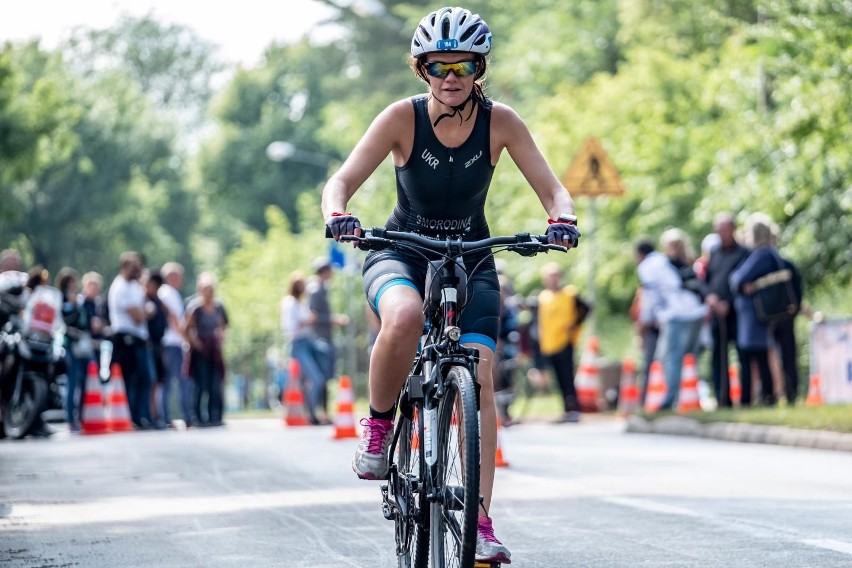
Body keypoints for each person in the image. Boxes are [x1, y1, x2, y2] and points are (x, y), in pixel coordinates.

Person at [320, 7, 580, 564]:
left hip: (472, 259)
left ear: (478, 68)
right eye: (439, 65)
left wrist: (562, 220)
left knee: (481, 377)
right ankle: (381, 424)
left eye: (463, 64)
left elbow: (555, 190)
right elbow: (340, 179)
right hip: (401, 252)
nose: (451, 75)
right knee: (405, 318)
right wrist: (337, 211)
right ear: (423, 69)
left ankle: (480, 522)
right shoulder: (401, 118)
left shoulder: (501, 122)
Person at [636, 230, 707, 410]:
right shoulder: (688, 261)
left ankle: (670, 399)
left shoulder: (653, 264)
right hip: (696, 312)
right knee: (690, 358)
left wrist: (646, 318)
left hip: (676, 314)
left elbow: (650, 294)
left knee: (671, 358)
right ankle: (689, 396)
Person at [729, 213, 784, 406]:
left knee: (756, 356)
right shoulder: (769, 253)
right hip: (756, 313)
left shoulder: (762, 254)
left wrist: (747, 284)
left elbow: (736, 278)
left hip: (756, 314)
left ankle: (762, 396)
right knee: (759, 355)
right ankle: (764, 395)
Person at [703, 212, 749, 407]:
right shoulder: (714, 254)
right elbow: (706, 281)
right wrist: (711, 298)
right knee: (718, 358)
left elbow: (744, 282)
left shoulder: (743, 253)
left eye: (726, 229)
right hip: (716, 313)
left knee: (742, 355)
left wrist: (727, 303)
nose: (722, 233)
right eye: (719, 230)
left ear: (733, 229)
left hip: (736, 313)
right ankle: (723, 398)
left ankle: (746, 398)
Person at [107, 251, 154, 429]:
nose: (139, 270)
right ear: (125, 267)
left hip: (139, 339)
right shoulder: (120, 287)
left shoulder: (135, 286)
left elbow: (148, 308)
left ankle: (142, 416)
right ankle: (131, 416)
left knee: (145, 378)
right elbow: (137, 316)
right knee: (130, 378)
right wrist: (145, 312)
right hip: (126, 339)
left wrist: (145, 311)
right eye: (135, 267)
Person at [536, 262, 587, 422]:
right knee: (558, 378)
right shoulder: (543, 297)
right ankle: (566, 409)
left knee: (567, 376)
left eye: (555, 275)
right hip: (549, 343)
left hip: (565, 340)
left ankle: (574, 408)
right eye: (549, 276)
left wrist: (575, 324)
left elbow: (586, 308)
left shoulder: (570, 293)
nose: (552, 279)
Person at [280, 271, 328, 425]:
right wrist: (306, 321)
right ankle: (311, 413)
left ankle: (309, 412)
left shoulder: (301, 303)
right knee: (315, 378)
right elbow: (290, 326)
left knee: (308, 380)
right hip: (298, 344)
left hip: (307, 342)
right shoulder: (290, 303)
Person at [307, 257, 349, 419]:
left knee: (325, 377)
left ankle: (322, 412)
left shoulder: (320, 288)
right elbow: (314, 316)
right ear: (325, 271)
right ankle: (319, 413)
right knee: (321, 377)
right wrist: (334, 320)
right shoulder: (315, 289)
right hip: (320, 338)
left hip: (323, 337)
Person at [184, 272, 228, 426]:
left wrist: (220, 338)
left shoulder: (218, 306)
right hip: (200, 349)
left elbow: (223, 325)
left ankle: (214, 416)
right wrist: (196, 344)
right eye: (206, 289)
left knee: (215, 384)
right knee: (201, 384)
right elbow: (187, 329)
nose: (209, 293)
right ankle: (197, 416)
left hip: (214, 349)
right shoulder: (195, 307)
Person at [158, 262, 193, 427]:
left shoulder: (171, 293)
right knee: (176, 381)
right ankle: (176, 416)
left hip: (173, 342)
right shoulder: (167, 292)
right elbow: (172, 316)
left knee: (172, 381)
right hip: (171, 343)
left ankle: (168, 416)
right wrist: (184, 336)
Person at [142, 269, 169, 428]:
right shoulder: (143, 300)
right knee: (150, 381)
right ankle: (149, 414)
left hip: (157, 345)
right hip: (148, 345)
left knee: (157, 381)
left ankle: (155, 413)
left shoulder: (158, 303)